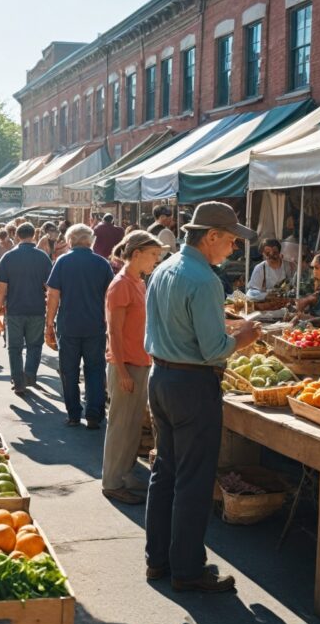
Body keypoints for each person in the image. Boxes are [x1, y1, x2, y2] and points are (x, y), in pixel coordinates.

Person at [144, 201, 260, 593]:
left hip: (161, 377)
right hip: (192, 385)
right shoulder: (205, 280)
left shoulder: (163, 268)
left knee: (166, 471)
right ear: (210, 236)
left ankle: (158, 559)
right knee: (192, 480)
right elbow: (214, 349)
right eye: (230, 241)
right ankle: (188, 569)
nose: (233, 248)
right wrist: (244, 336)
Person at [102, 231, 165, 505]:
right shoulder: (121, 285)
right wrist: (123, 372)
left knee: (130, 427)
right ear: (136, 254)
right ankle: (112, 482)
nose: (156, 260)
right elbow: (113, 332)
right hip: (125, 364)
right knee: (120, 426)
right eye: (153, 255)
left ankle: (124, 474)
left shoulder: (137, 282)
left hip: (139, 362)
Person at [45, 224, 114, 428]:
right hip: (95, 325)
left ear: (70, 240)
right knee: (95, 370)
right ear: (90, 240)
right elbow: (110, 297)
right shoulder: (102, 264)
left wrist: (49, 323)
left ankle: (74, 414)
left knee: (69, 371)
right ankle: (94, 414)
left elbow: (53, 295)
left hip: (69, 325)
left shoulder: (63, 262)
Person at [0, 223, 53, 394]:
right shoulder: (43, 258)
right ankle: (30, 374)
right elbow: (50, 287)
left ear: (17, 236)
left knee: (15, 347)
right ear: (34, 235)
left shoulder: (9, 257)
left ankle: (18, 381)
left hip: (15, 310)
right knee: (35, 345)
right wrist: (50, 314)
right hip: (36, 309)